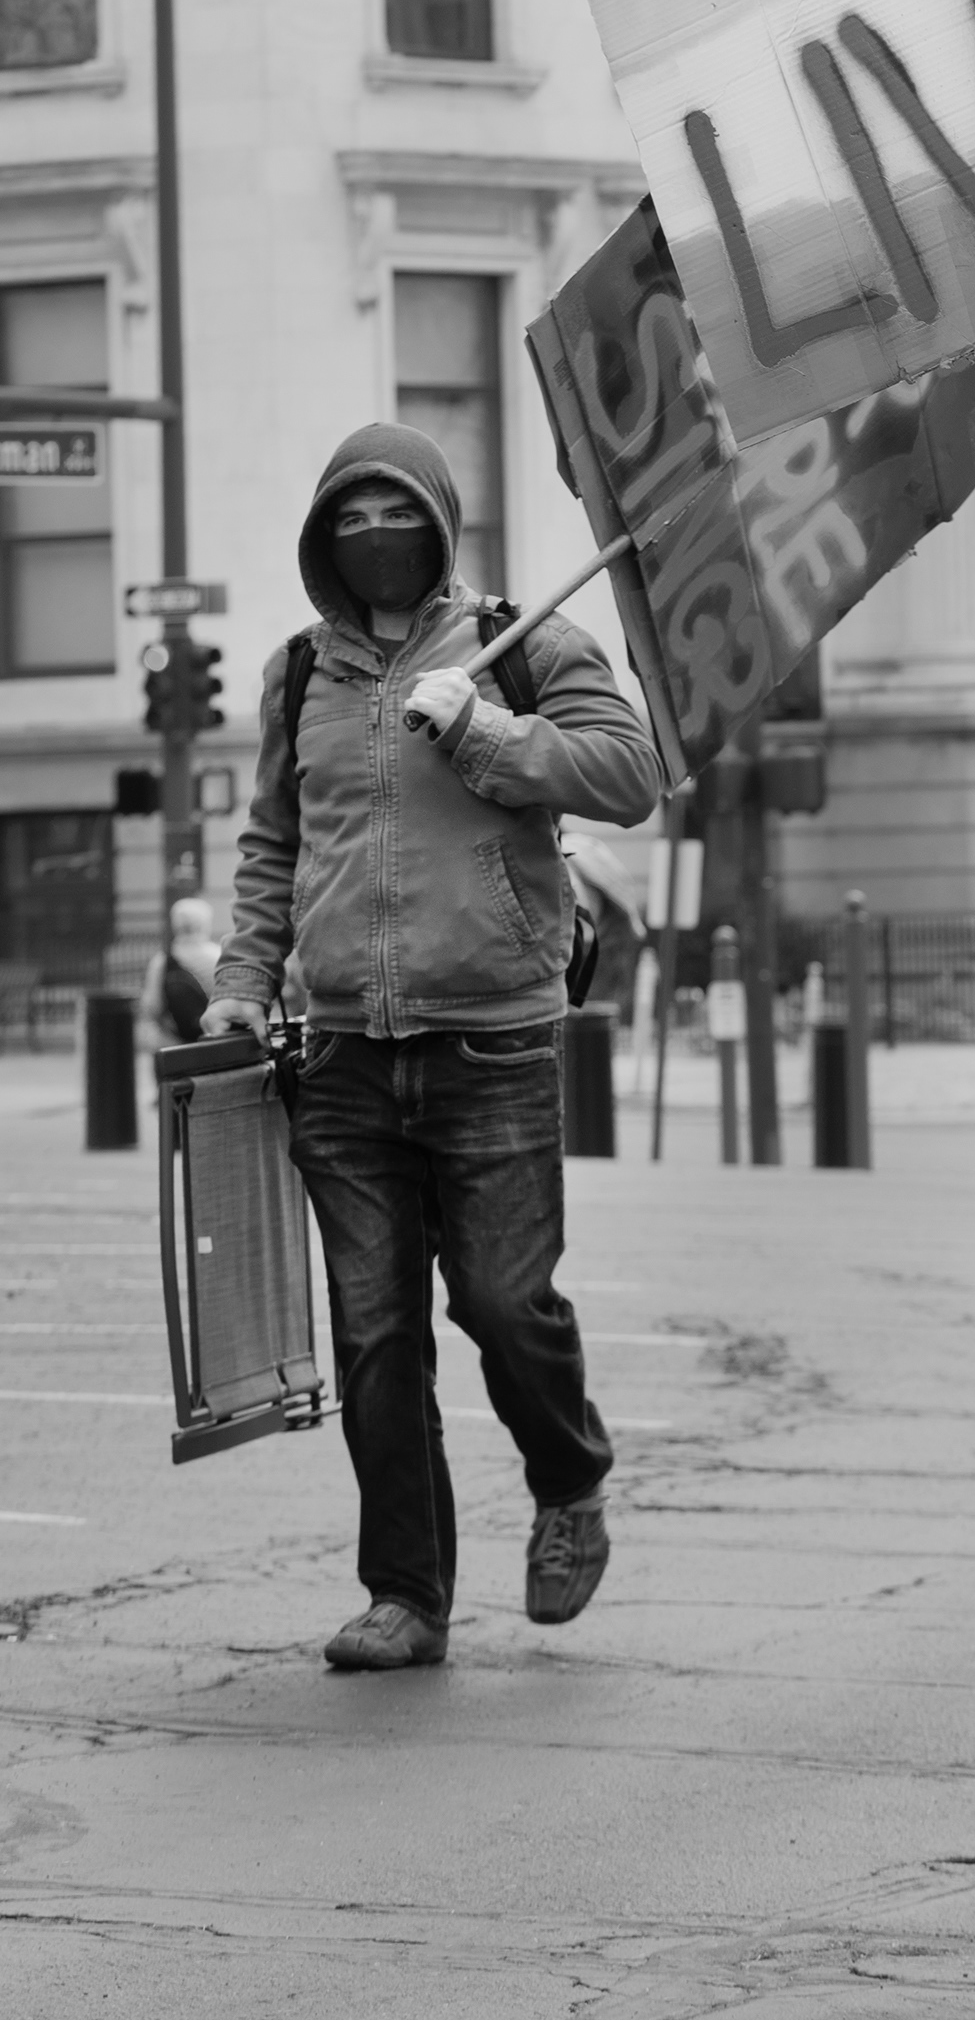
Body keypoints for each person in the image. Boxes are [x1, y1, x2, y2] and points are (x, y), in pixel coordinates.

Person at [205, 424, 663, 1673]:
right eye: (346, 521)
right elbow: (271, 849)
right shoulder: (297, 674)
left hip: (496, 1047)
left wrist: (484, 734)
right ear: (320, 544)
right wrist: (245, 982)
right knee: (374, 1335)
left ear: (439, 523)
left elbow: (630, 773)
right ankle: (406, 1593)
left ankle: (570, 1480)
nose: (371, 539)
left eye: (391, 514)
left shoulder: (528, 642)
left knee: (508, 1307)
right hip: (344, 1055)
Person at [139, 896, 220, 1048]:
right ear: (205, 923)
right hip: (214, 1040)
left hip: (177, 1045)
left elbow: (152, 1007)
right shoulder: (218, 957)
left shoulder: (162, 962)